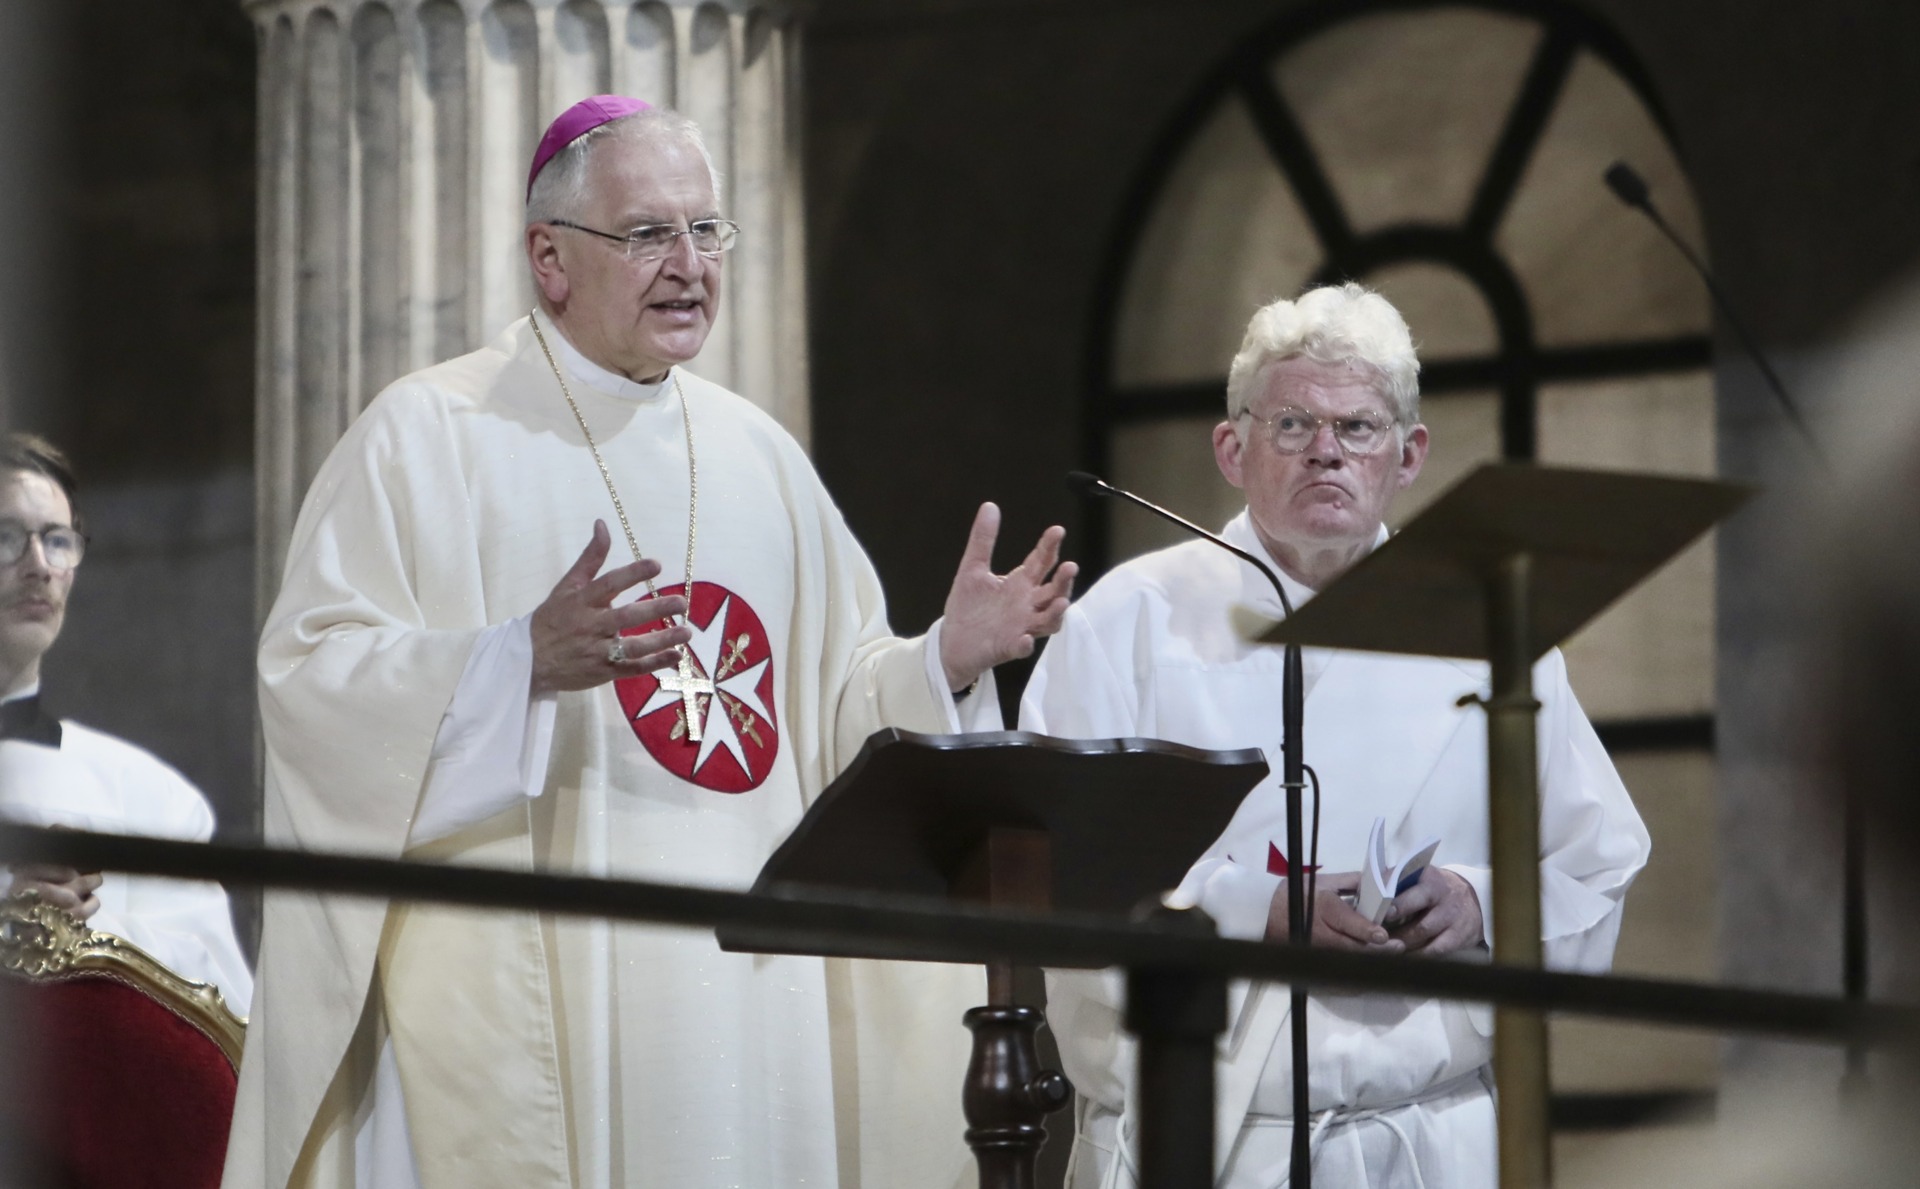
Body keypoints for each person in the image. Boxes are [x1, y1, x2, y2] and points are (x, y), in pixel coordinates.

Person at [223, 97, 1076, 1189]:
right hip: (542, 983)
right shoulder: (428, 434)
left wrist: (941, 662)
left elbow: (833, 718)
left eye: (708, 230)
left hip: (750, 993)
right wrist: (513, 661)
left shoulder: (757, 455)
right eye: (647, 233)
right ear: (549, 258)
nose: (689, 264)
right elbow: (310, 680)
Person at [1020, 283, 1650, 1188]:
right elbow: (1053, 863)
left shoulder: (1486, 620)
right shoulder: (1129, 618)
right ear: (1232, 448)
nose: (1327, 452)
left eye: (1358, 427)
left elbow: (1599, 862)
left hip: (1433, 1142)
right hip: (1210, 1140)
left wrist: (1476, 903)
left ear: (1409, 454)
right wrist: (1262, 915)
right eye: (1291, 426)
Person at [0, 431, 252, 1013]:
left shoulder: (151, 796)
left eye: (58, 541)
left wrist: (76, 926)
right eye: (7, 537)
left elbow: (227, 1010)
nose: (40, 567)